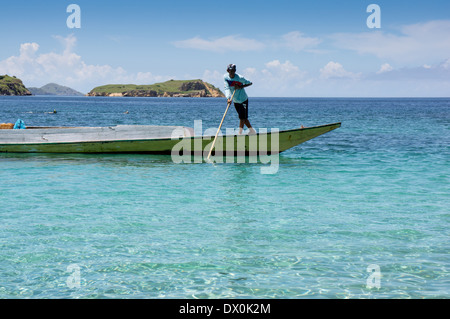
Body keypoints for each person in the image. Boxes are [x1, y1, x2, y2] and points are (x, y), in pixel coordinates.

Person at [224, 64, 256, 135]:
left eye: (232, 71)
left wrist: (240, 86)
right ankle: (252, 131)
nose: (231, 72)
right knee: (243, 118)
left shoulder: (240, 78)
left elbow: (250, 83)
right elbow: (226, 88)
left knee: (242, 118)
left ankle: (239, 134)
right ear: (227, 70)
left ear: (235, 71)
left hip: (243, 100)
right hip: (235, 101)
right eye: (230, 71)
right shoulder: (226, 77)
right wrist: (228, 98)